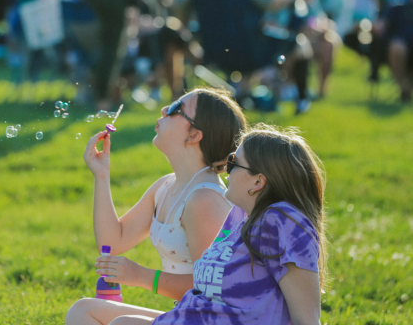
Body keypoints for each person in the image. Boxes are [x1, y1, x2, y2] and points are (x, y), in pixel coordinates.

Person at [108, 124, 328, 325]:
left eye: (233, 162)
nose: (226, 169)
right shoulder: (239, 218)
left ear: (258, 182)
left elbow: (306, 318)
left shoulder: (283, 221)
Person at [65, 88, 248, 325]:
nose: (163, 109)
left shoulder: (205, 200)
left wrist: (141, 276)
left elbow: (212, 288)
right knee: (82, 311)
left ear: (194, 134)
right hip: (188, 315)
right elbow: (113, 240)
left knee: (123, 324)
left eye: (174, 109)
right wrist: (101, 176)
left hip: (215, 319)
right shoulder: (166, 186)